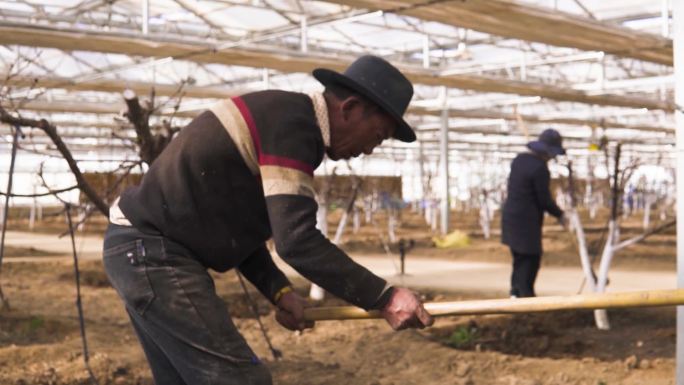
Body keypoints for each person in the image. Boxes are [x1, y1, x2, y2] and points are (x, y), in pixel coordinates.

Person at [102, 55, 434, 385]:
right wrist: (384, 296)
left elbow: (235, 229)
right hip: (152, 256)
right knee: (242, 379)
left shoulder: (283, 119)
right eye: (377, 135)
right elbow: (298, 242)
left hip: (139, 253)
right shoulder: (293, 127)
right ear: (349, 109)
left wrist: (279, 291)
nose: (370, 150)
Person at [501, 128, 566, 298]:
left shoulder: (519, 160)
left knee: (519, 259)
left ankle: (515, 292)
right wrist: (560, 215)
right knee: (530, 259)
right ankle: (525, 296)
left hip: (511, 218)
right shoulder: (540, 169)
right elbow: (543, 199)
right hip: (526, 223)